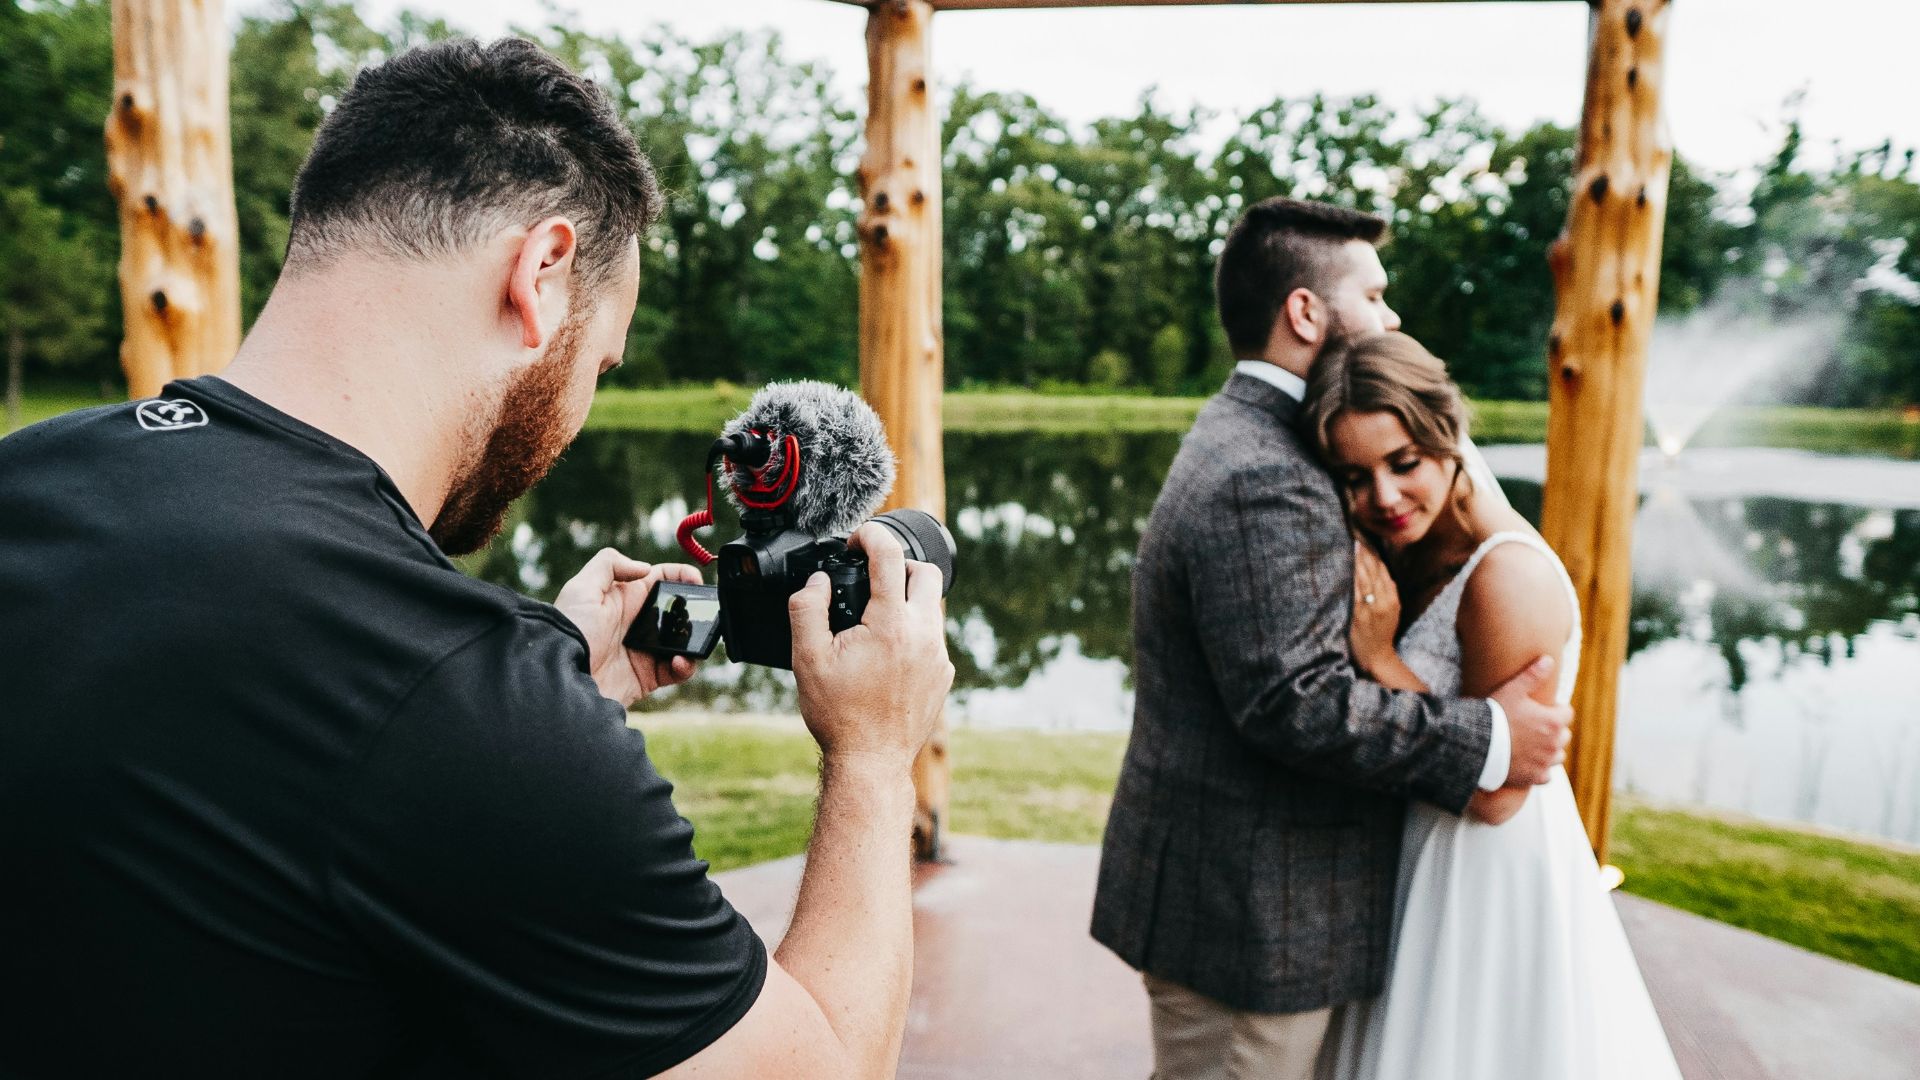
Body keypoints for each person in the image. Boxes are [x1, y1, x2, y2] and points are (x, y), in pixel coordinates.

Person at [0, 38, 952, 1079]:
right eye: (600, 362)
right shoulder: (453, 701)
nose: (579, 414)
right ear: (540, 272)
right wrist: (873, 754)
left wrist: (534, 698)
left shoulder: (32, 475)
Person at [1089, 197, 1574, 1080]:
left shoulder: (1255, 435)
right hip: (1249, 918)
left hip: (1246, 898)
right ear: (1307, 312)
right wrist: (1493, 737)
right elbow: (1294, 702)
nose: (1392, 318)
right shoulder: (1268, 471)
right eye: (1375, 296)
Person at [1305, 332, 1682, 1080]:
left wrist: (1380, 659)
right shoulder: (1407, 546)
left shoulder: (1507, 577)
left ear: (1448, 437)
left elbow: (1498, 794)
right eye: (1355, 477)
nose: (1383, 497)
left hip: (1478, 871)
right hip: (1415, 850)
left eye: (1403, 463)